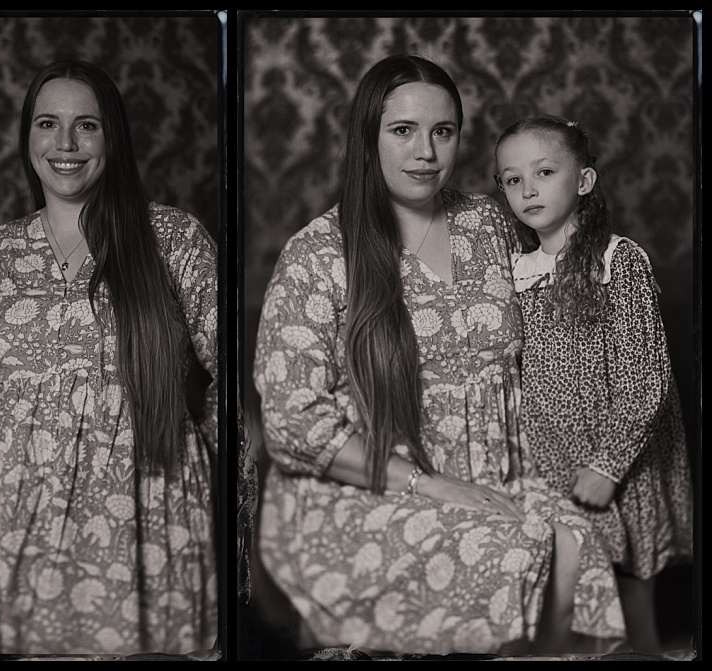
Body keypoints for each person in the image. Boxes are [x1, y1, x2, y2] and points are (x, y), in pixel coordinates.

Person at [253, 54, 627, 656]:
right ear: (367, 136)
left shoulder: (487, 221)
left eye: (443, 131)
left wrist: (626, 290)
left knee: (580, 546)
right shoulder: (320, 254)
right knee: (514, 555)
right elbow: (292, 424)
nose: (426, 151)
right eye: (403, 131)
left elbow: (564, 296)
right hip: (373, 490)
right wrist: (430, 485)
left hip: (503, 474)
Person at [0, 60, 218, 655]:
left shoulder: (173, 239)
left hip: (157, 524)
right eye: (48, 124)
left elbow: (238, 376)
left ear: (113, 138)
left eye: (88, 126)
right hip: (27, 536)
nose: (66, 144)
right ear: (27, 138)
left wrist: (196, 455)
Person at [495, 114, 693, 654]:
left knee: (630, 586)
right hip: (552, 457)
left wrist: (609, 464)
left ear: (583, 181)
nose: (527, 188)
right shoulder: (517, 270)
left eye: (543, 171)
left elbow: (645, 374)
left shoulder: (617, 261)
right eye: (512, 179)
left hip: (617, 457)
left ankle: (647, 648)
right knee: (570, 588)